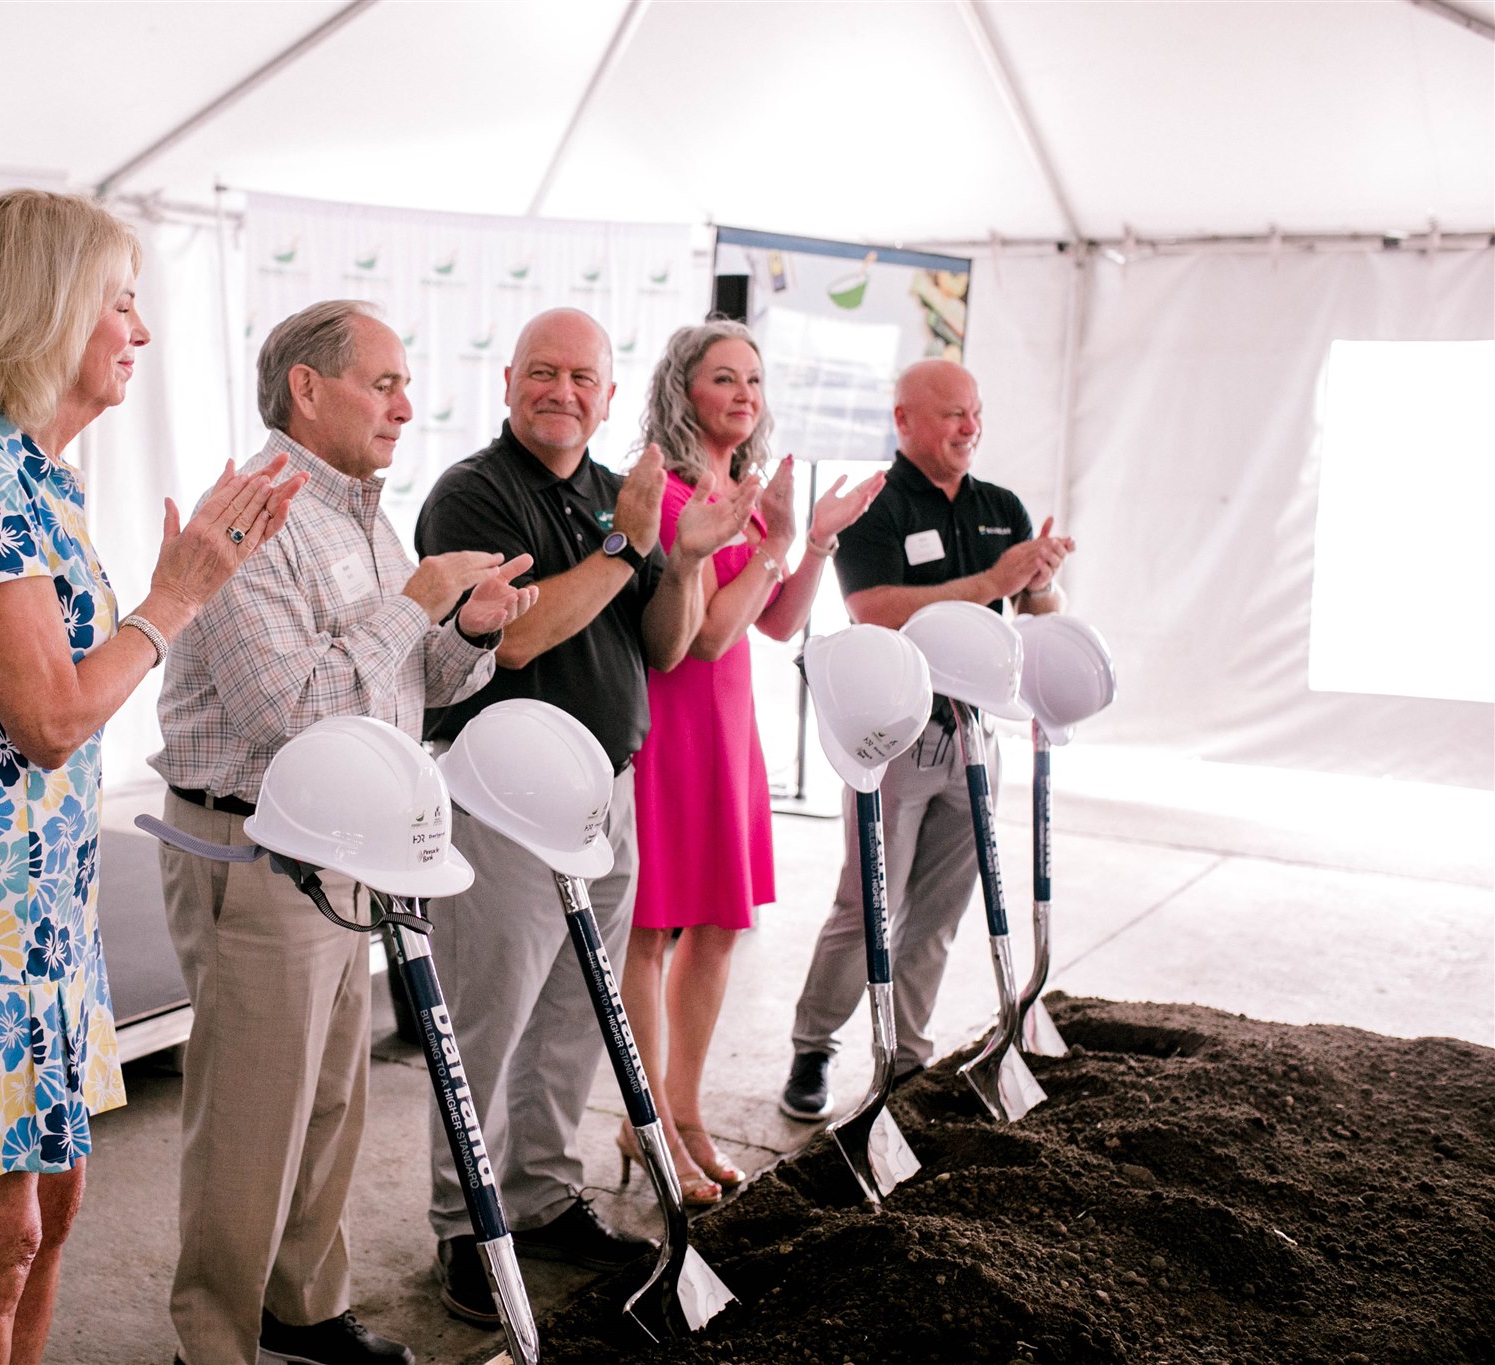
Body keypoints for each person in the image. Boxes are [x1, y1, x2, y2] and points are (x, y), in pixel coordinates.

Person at [0, 188, 302, 1365]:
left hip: (37, 911)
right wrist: (177, 593)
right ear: (45, 312)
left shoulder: (35, 478)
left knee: (48, 1228)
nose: (137, 332)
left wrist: (179, 584)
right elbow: (47, 719)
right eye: (120, 302)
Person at [151, 299, 534, 1365]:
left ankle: (303, 1311)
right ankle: (213, 1345)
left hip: (344, 849)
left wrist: (463, 631)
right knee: (248, 1118)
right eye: (383, 382)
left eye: (405, 384)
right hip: (257, 847)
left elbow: (400, 689)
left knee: (326, 1098)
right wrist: (417, 601)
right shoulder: (249, 514)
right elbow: (294, 715)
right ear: (305, 389)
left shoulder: (360, 511)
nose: (406, 406)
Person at [414, 307, 759, 1326]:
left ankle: (541, 1195)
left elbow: (661, 647)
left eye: (581, 378)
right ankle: (465, 1226)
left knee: (575, 1012)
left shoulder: (619, 495)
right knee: (489, 1016)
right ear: (508, 381)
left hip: (606, 788)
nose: (561, 391)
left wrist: (685, 558)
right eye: (542, 373)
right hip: (503, 793)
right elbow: (513, 644)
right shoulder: (473, 492)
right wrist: (626, 545)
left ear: (609, 397)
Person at [624, 320, 883, 1201]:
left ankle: (686, 1111)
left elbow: (774, 624)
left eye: (756, 381)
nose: (744, 394)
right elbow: (705, 636)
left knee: (721, 925)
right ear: (681, 389)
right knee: (654, 929)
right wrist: (772, 545)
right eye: (724, 378)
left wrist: (811, 544)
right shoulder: (662, 491)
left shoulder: (742, 489)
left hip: (731, 725)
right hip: (668, 721)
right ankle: (644, 1116)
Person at [780, 357, 1074, 1120]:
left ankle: (909, 1059)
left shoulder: (1001, 506)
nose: (969, 427)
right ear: (904, 420)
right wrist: (993, 579)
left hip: (976, 741)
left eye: (975, 413)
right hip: (896, 740)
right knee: (868, 905)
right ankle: (815, 1047)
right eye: (952, 414)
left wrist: (1038, 577)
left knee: (940, 911)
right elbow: (873, 610)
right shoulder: (876, 507)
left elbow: (1037, 612)